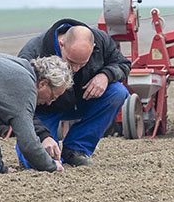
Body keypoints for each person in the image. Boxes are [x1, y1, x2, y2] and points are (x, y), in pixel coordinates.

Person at [16, 19, 130, 167]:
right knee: (40, 164)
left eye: (82, 64)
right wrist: (43, 136)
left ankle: (76, 150)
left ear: (93, 47)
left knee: (117, 92)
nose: (75, 69)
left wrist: (106, 75)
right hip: (45, 110)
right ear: (62, 43)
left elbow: (122, 64)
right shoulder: (33, 53)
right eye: (71, 62)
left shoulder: (100, 40)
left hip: (83, 100)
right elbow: (20, 104)